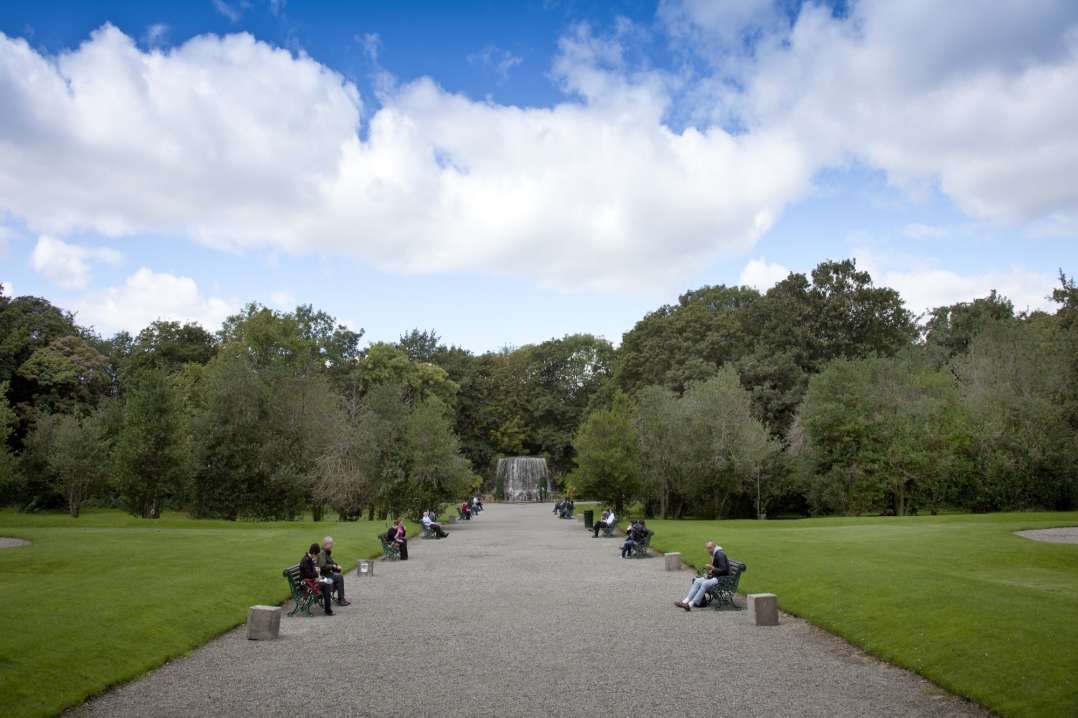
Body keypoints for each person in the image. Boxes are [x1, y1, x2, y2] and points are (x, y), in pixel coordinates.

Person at [675, 541, 730, 611]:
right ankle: (685, 601)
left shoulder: (719, 554)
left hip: (722, 578)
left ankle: (690, 605)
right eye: (707, 548)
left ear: (714, 547)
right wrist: (711, 571)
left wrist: (712, 568)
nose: (708, 550)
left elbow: (724, 570)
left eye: (710, 548)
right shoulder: (715, 553)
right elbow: (717, 568)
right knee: (697, 581)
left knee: (705, 584)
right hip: (715, 576)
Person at [300, 542, 334, 615]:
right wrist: (317, 574)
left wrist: (318, 576)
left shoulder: (309, 559)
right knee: (326, 584)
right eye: (316, 555)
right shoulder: (305, 561)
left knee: (326, 582)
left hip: (311, 581)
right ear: (314, 553)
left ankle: (327, 607)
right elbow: (308, 575)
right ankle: (328, 609)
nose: (316, 557)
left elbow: (311, 573)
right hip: (306, 584)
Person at [316, 536, 350, 606]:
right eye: (331, 544)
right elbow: (323, 566)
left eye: (332, 543)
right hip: (323, 576)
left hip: (327, 574)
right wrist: (333, 566)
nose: (332, 545)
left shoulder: (326, 552)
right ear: (326, 544)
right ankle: (341, 599)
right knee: (339, 578)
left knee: (338, 577)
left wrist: (337, 567)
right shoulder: (322, 553)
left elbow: (331, 563)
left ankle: (341, 598)